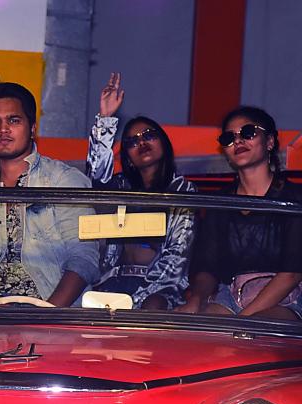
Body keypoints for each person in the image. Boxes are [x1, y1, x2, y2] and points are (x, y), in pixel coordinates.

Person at [0, 82, 99, 307]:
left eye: (14, 120)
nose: (3, 130)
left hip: (53, 310)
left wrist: (47, 315)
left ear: (32, 129)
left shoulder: (63, 181)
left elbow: (83, 258)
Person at [178, 106, 302, 319]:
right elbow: (207, 266)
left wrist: (243, 320)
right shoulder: (221, 202)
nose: (238, 141)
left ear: (270, 141)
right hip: (230, 296)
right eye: (229, 137)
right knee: (198, 335)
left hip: (287, 299)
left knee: (257, 334)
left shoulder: (295, 197)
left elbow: (291, 274)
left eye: (248, 133)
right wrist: (197, 299)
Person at [87, 72, 197, 309]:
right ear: (126, 155)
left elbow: (177, 256)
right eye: (132, 141)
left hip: (161, 290)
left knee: (152, 308)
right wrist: (105, 118)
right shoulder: (121, 186)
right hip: (111, 282)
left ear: (164, 143)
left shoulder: (182, 189)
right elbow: (95, 179)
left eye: (149, 135)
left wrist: (137, 299)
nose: (142, 142)